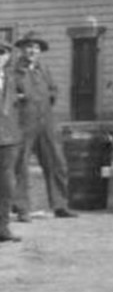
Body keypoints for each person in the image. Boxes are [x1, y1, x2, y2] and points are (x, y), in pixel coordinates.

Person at [11, 31, 77, 220]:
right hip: (23, 123)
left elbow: (53, 90)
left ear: (40, 51)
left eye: (36, 47)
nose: (32, 51)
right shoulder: (14, 71)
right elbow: (9, 96)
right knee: (20, 165)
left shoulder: (44, 69)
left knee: (56, 162)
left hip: (46, 122)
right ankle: (22, 208)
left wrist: (48, 99)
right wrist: (22, 99)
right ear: (22, 49)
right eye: (28, 47)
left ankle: (60, 205)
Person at [1, 42, 24, 243]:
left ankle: (3, 227)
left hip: (8, 138)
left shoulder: (12, 78)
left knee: (6, 184)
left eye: (2, 53)